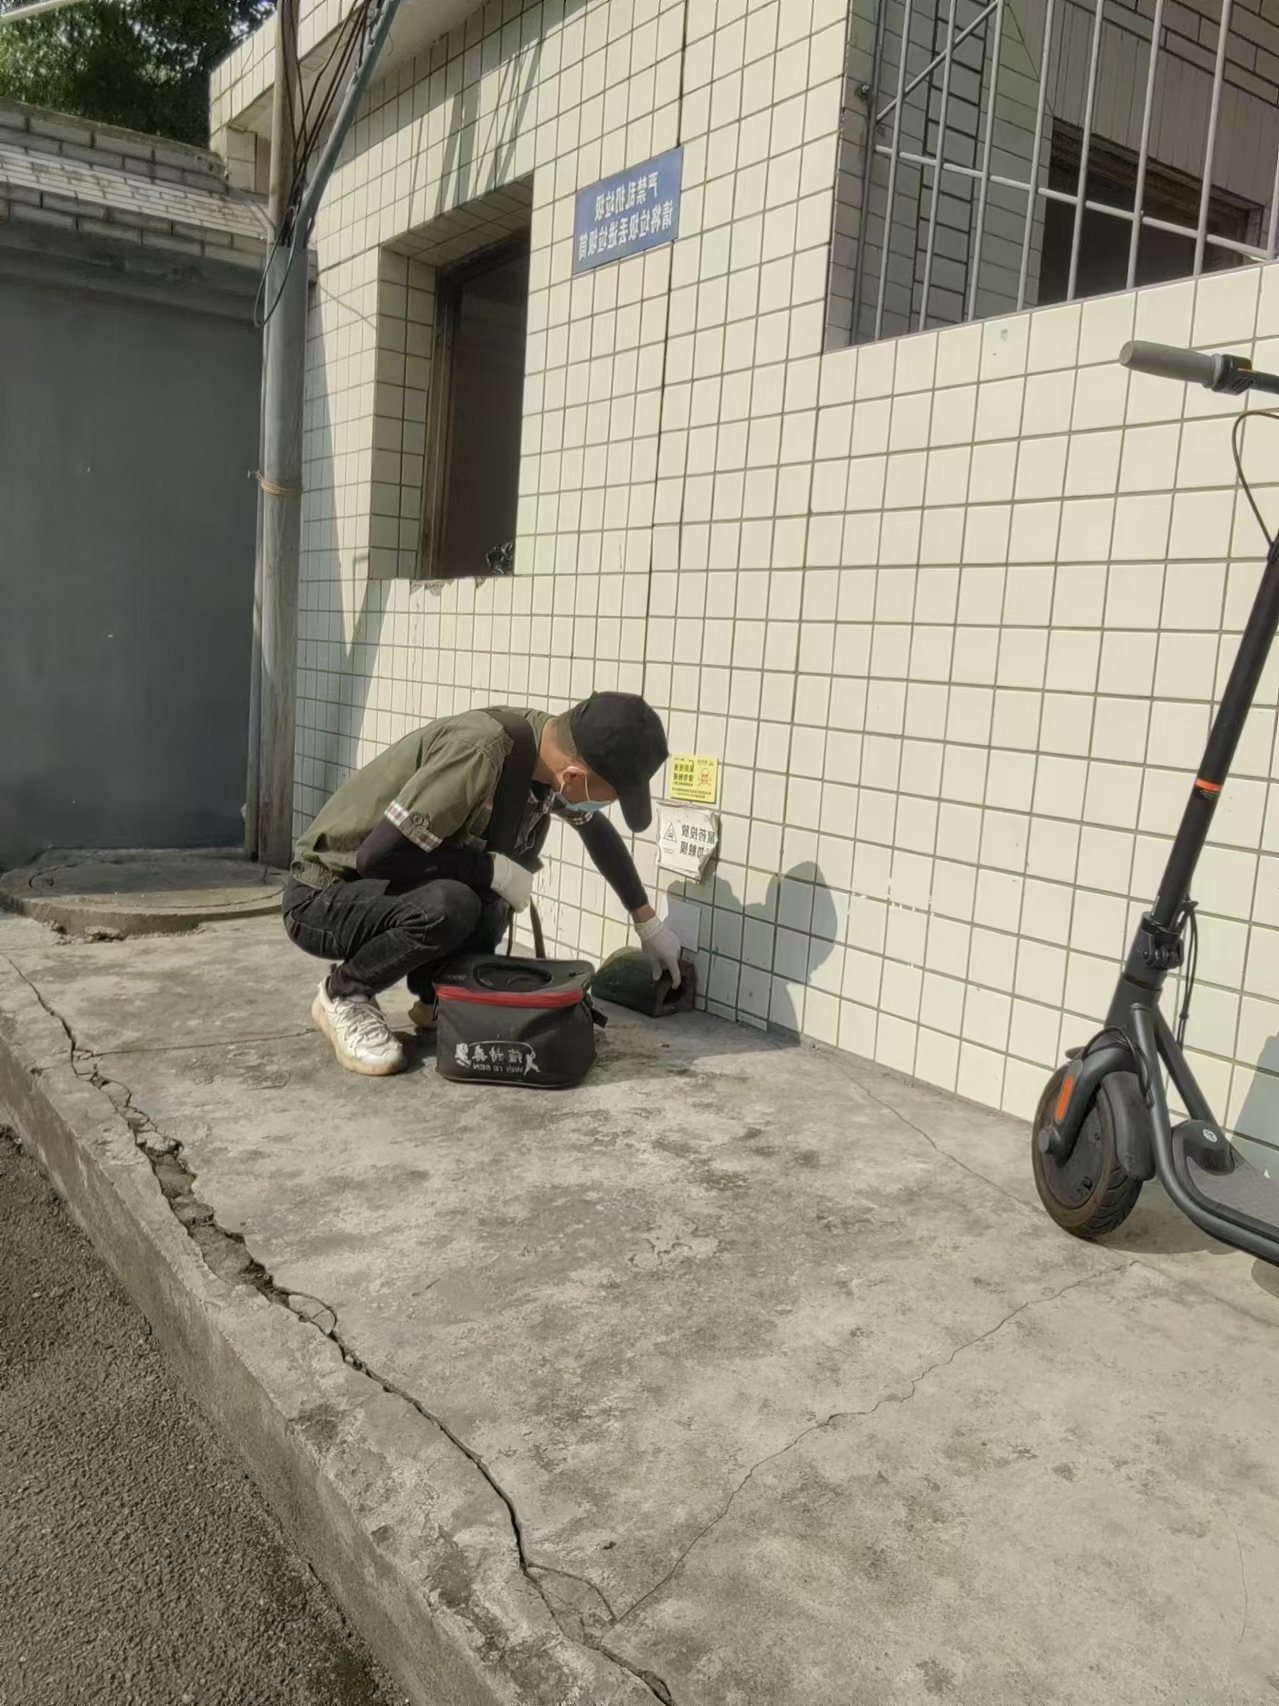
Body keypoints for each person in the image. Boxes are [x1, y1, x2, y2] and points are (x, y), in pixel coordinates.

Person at [282, 693, 684, 1075]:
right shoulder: (480, 752)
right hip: (324, 894)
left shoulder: (546, 758)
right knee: (454, 900)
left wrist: (646, 921)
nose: (604, 806)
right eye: (610, 796)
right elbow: (377, 857)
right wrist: (489, 869)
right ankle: (343, 994)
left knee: (491, 897)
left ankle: (437, 998)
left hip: (386, 891)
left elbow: (596, 832)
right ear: (575, 777)